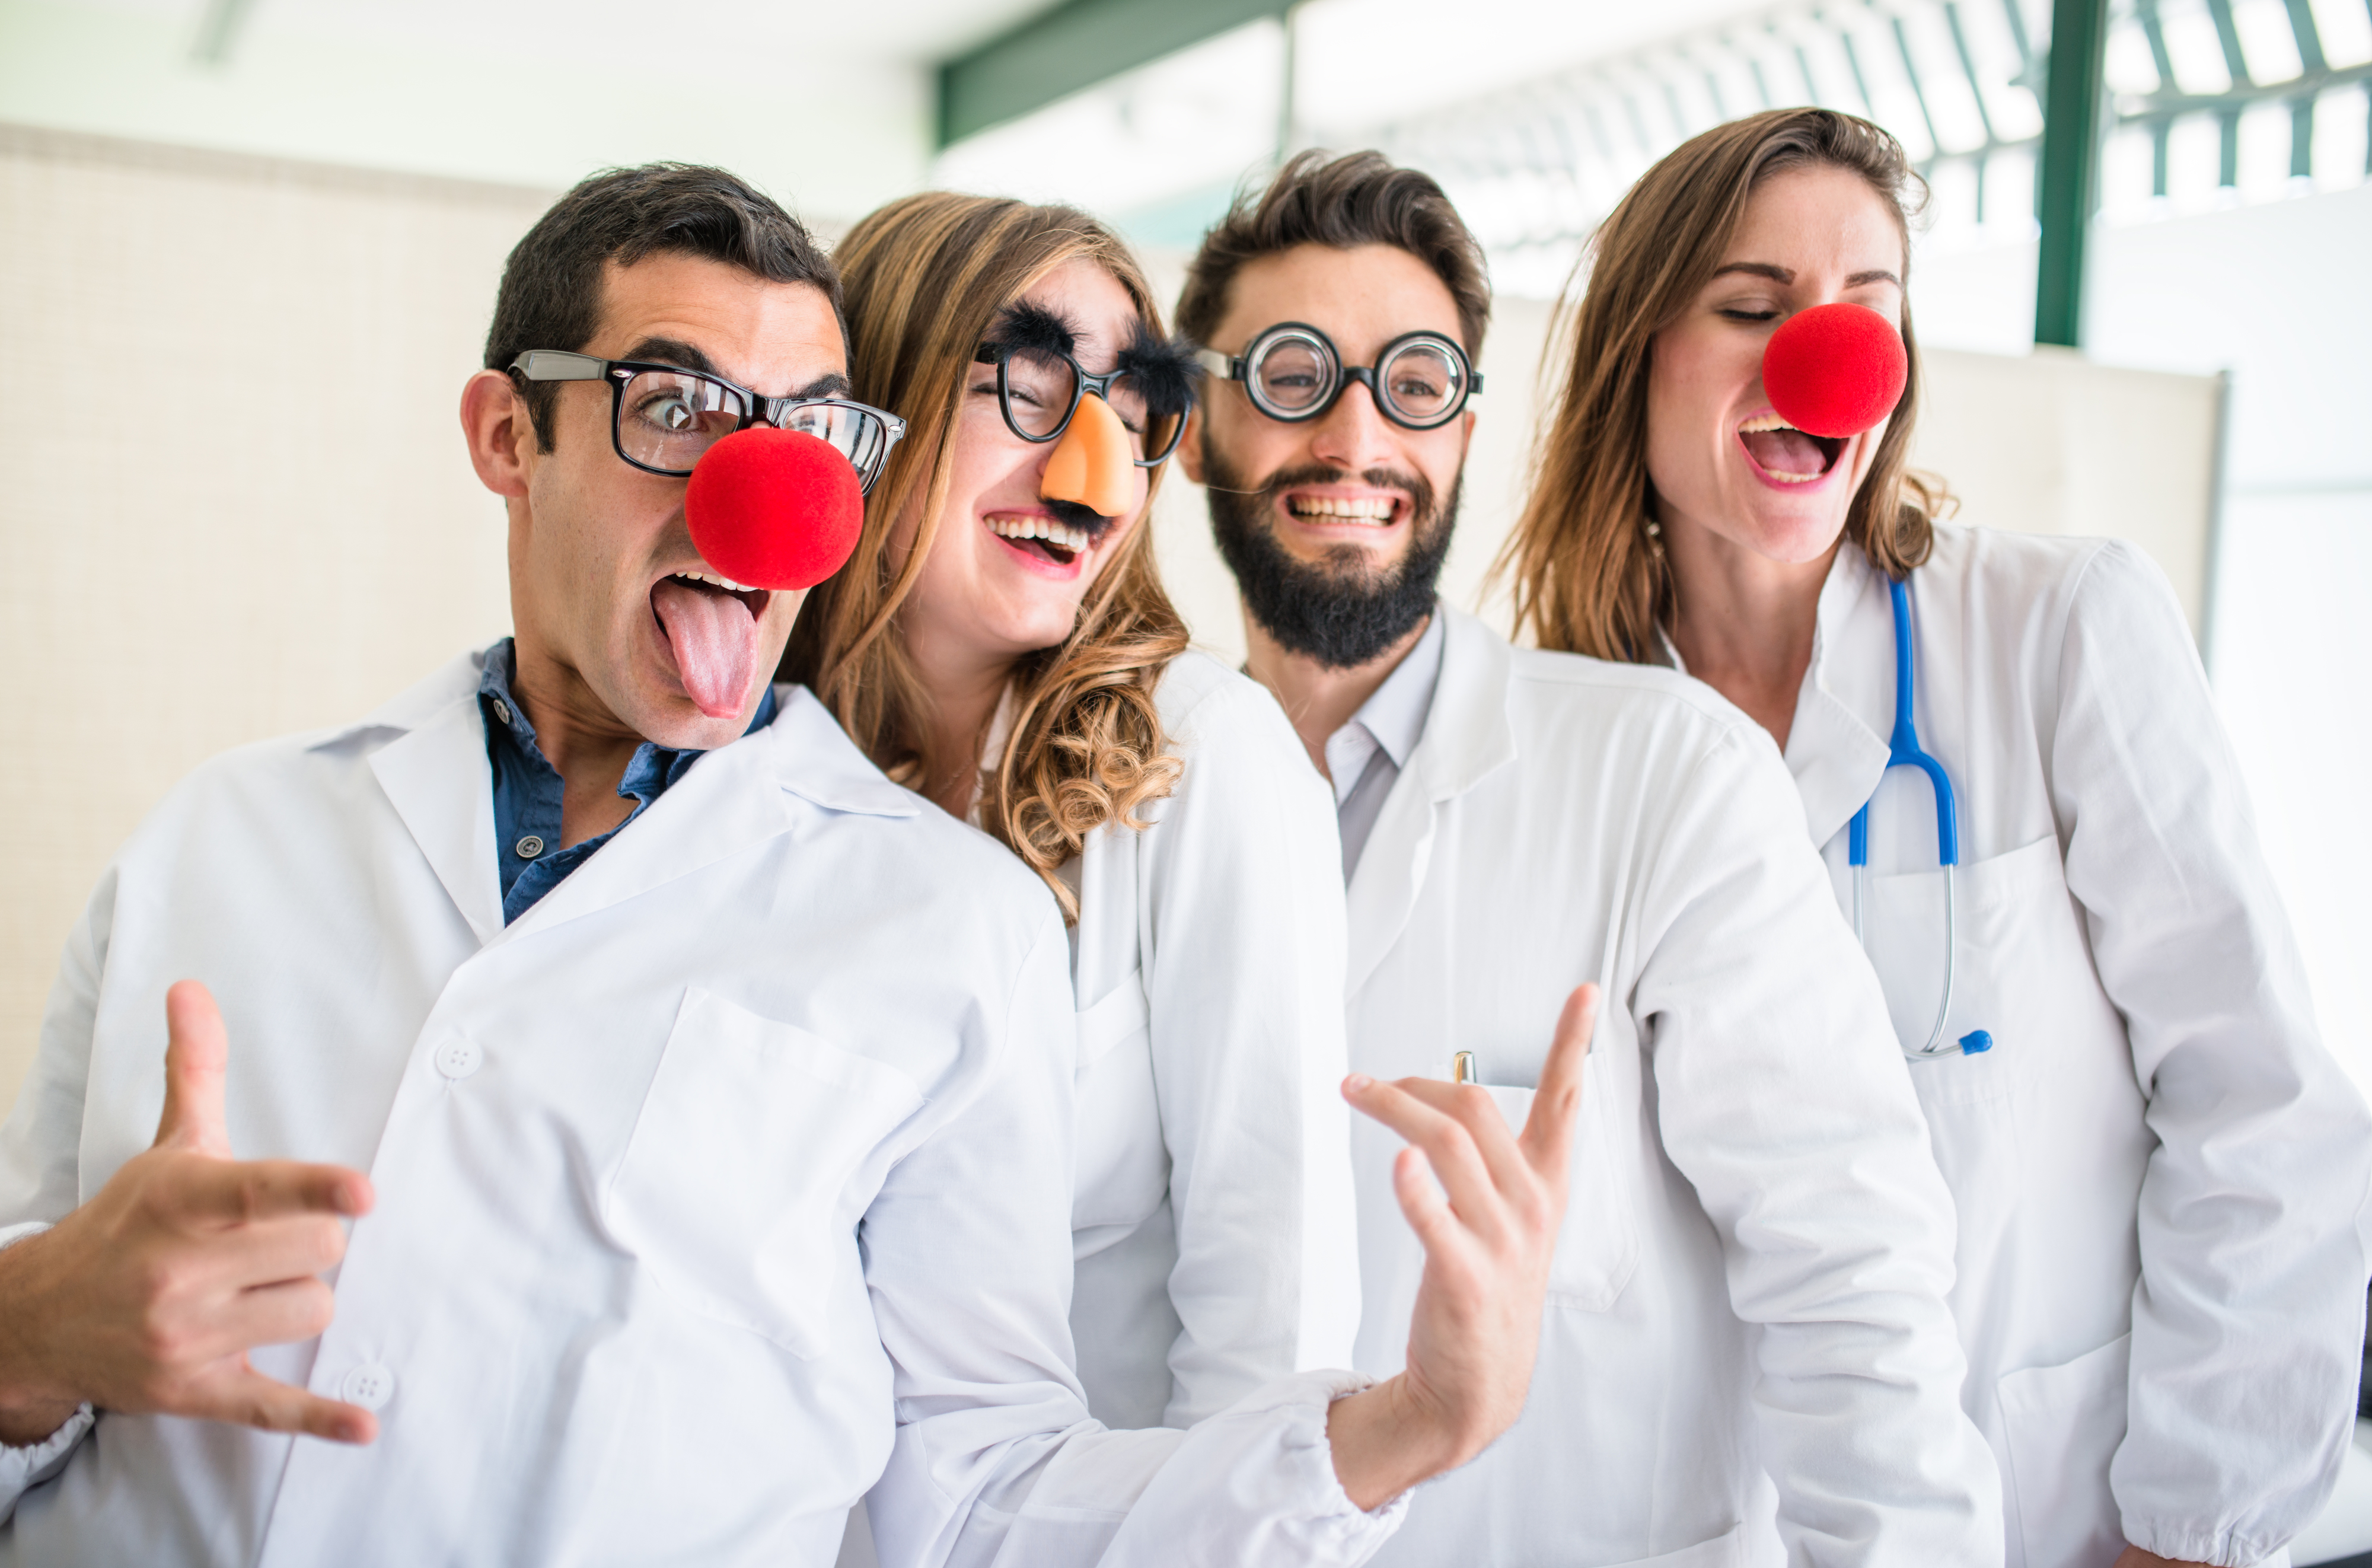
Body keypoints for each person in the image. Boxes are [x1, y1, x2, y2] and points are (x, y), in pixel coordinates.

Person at [0, 161, 1593, 1567]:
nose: (1094, 466)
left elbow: (990, 1475)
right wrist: (28, 1336)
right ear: (508, 434)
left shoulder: (982, 891)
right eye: (676, 404)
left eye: (801, 427)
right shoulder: (218, 831)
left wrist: (1393, 1428)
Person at [1503, 107, 2372, 1568]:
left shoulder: (2054, 631)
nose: (1818, 358)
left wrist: (2186, 1534)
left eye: (1866, 313)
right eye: (1751, 308)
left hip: (2061, 1511)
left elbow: (2261, 1110)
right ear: (1634, 353)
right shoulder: (1561, 735)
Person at [1177, 148, 2006, 1567]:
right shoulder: (1133, 798)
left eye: (1417, 383)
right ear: (1194, 422)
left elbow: (1849, 1280)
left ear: (1459, 433)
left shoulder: (1665, 772)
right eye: (1292, 374)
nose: (1355, 439)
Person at [783, 192, 1358, 1443]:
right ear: (875, 397)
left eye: (1134, 411)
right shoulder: (745, 760)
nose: (1094, 473)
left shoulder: (1201, 759)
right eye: (1031, 383)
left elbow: (1277, 1309)